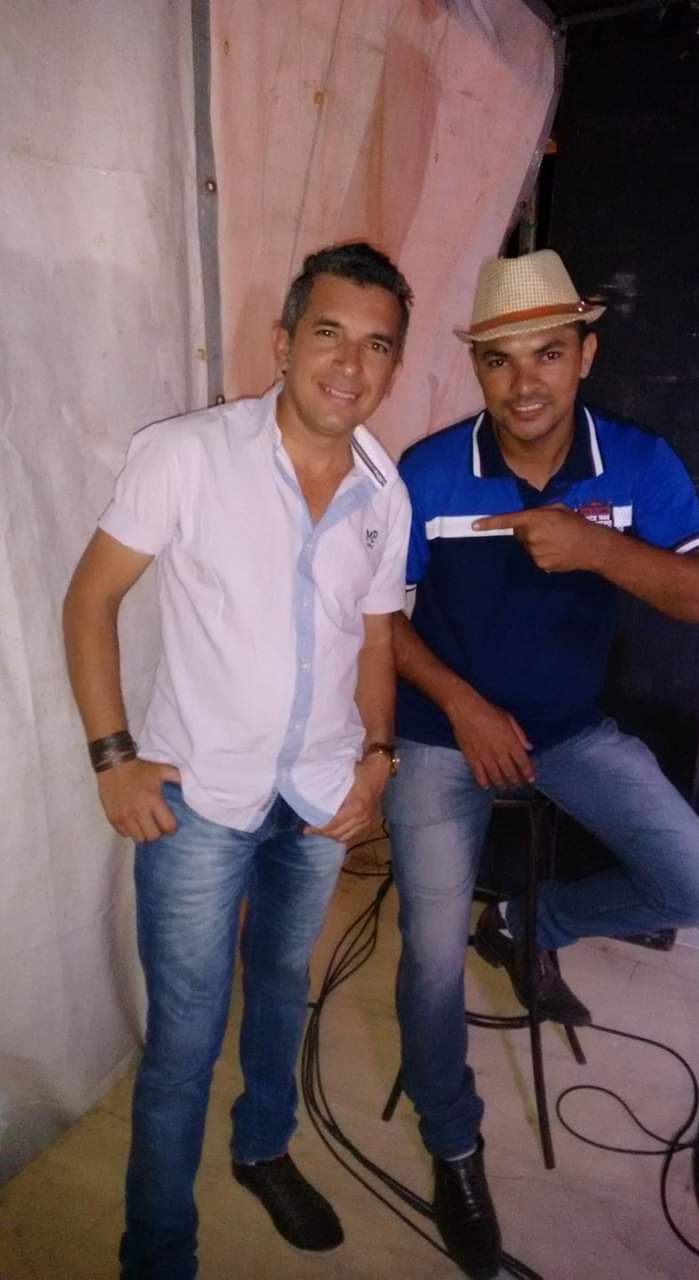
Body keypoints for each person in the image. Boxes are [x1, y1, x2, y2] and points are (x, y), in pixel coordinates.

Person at [63, 241, 412, 1280]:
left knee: (281, 989)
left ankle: (263, 1145)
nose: (350, 364)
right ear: (283, 342)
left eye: (377, 346)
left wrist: (378, 757)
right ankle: (157, 1252)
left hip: (319, 797)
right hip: (199, 803)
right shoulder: (185, 455)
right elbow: (90, 597)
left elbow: (377, 640)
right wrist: (114, 759)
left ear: (394, 365)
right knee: (182, 1040)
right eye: (330, 334)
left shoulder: (384, 492)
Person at [383, 248, 699, 1280]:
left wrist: (598, 548)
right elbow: (375, 620)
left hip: (569, 728)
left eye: (547, 353)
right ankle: (454, 1145)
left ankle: (532, 923)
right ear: (477, 369)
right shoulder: (427, 470)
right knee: (429, 957)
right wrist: (461, 704)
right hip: (440, 732)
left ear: (585, 355)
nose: (524, 382)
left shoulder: (637, 463)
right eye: (499, 360)